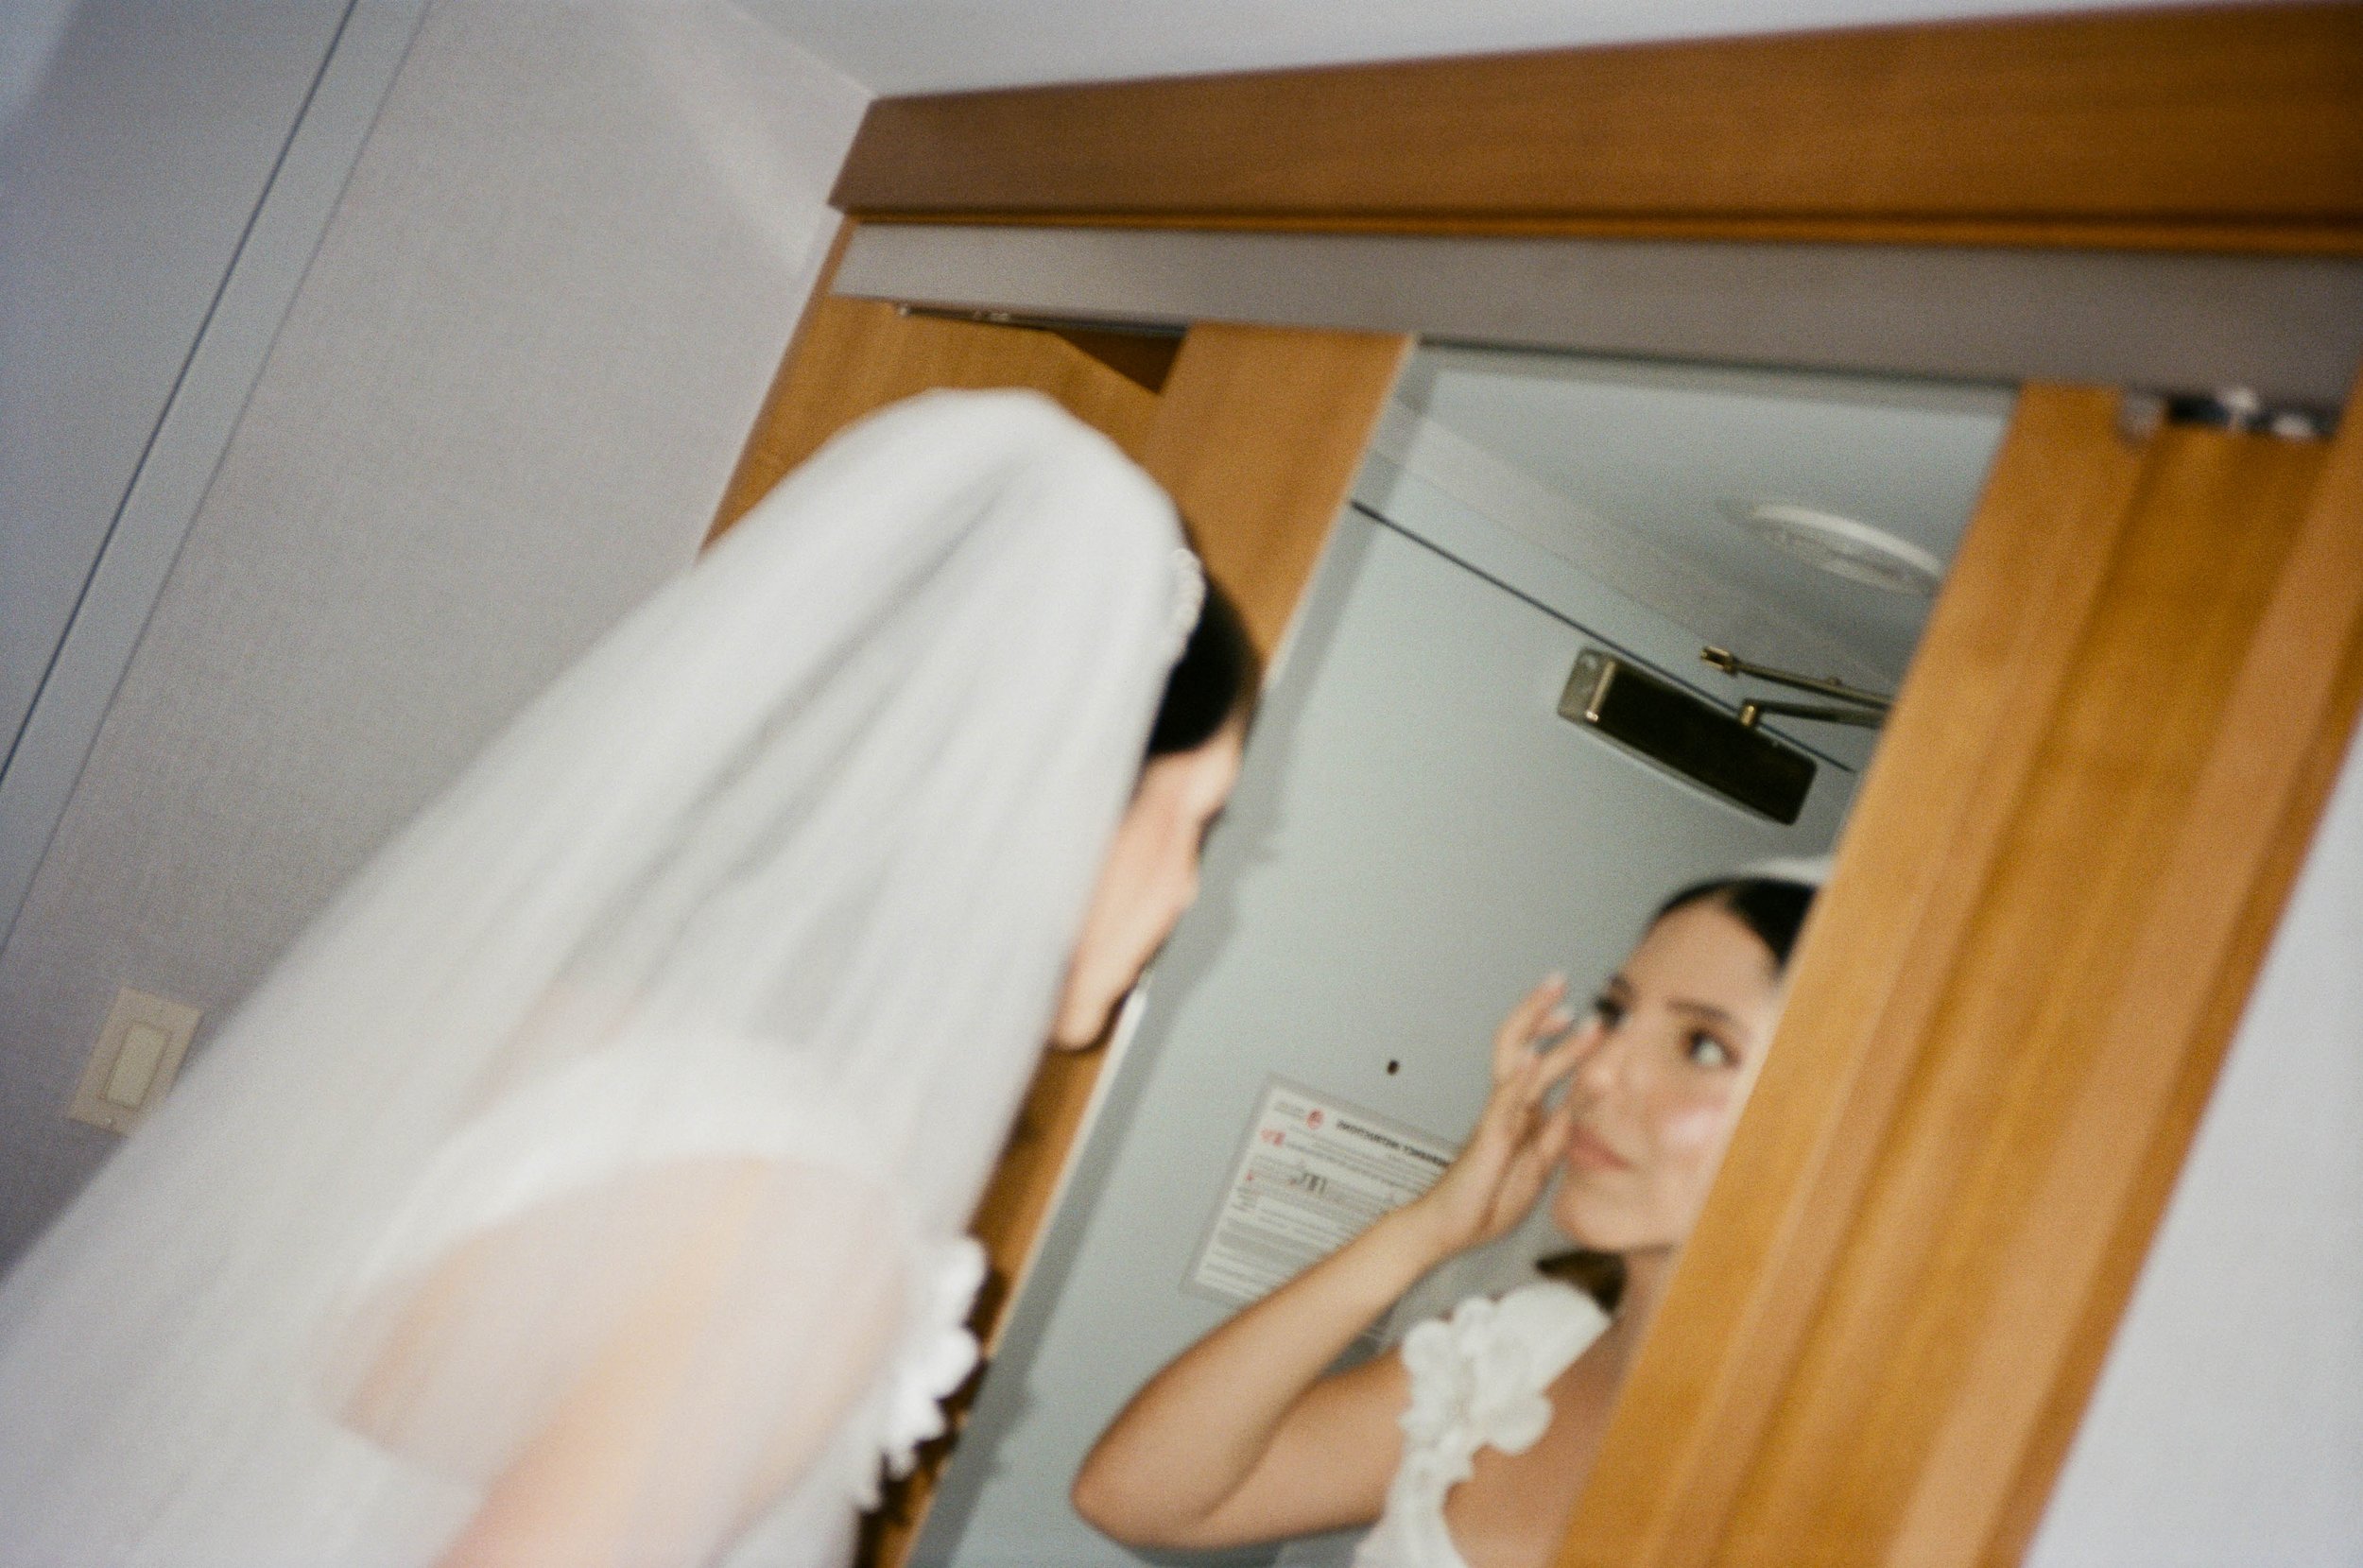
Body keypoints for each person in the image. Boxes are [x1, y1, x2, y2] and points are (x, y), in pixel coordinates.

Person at [0, 389, 1256, 1568]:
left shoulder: (549, 1020)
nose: (1191, 889)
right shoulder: (793, 1232)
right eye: (1192, 816)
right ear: (1055, 808)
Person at [1072, 870, 1821, 1568]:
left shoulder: (1856, 1463)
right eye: (1617, 1014)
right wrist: (1422, 1232)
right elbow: (1136, 1497)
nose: (1597, 1073)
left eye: (1701, 1044)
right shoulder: (1521, 1351)